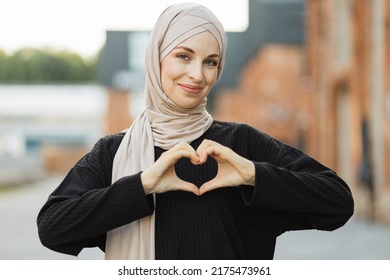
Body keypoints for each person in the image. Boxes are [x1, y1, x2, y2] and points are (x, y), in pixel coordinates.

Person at [37, 2, 354, 260]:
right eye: (183, 56)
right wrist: (142, 185)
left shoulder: (241, 144)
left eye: (211, 62)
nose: (197, 74)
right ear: (157, 58)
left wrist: (253, 175)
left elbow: (338, 203)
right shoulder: (114, 152)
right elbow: (53, 227)